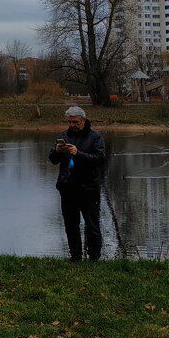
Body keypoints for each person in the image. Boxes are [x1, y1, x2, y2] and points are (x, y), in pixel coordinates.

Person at [49, 105, 106, 261]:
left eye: (75, 122)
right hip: (67, 187)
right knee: (70, 225)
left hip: (88, 187)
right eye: (69, 122)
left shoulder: (95, 136)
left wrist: (77, 153)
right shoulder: (63, 135)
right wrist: (57, 151)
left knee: (92, 224)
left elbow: (99, 159)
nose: (71, 125)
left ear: (83, 120)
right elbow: (53, 160)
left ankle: (94, 257)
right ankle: (75, 257)